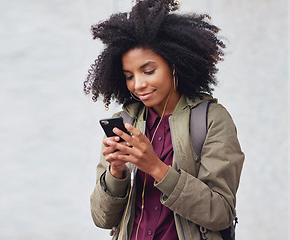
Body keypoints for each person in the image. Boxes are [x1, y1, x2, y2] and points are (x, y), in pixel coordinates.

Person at [83, 0, 245, 240]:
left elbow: (220, 212)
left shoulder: (211, 119)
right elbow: (102, 219)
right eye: (129, 76)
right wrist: (116, 173)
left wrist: (156, 168)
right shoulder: (125, 121)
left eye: (148, 71)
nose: (138, 84)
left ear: (174, 65)